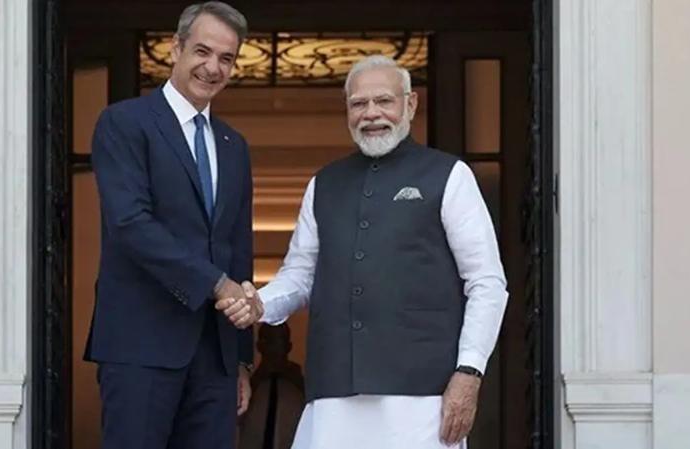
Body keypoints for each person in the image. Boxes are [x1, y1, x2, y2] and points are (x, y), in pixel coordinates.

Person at [219, 55, 509, 448]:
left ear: (410, 104)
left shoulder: (449, 176)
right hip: (333, 394)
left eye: (384, 101)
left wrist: (469, 372)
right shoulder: (324, 183)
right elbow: (300, 276)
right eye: (359, 103)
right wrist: (259, 304)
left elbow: (487, 282)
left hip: (422, 396)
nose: (371, 113)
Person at [84, 2, 262, 448]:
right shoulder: (124, 123)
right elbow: (130, 224)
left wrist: (241, 358)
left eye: (226, 58)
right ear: (175, 49)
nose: (213, 67)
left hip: (216, 358)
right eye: (202, 51)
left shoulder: (234, 145)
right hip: (140, 347)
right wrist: (217, 285)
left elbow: (238, 247)